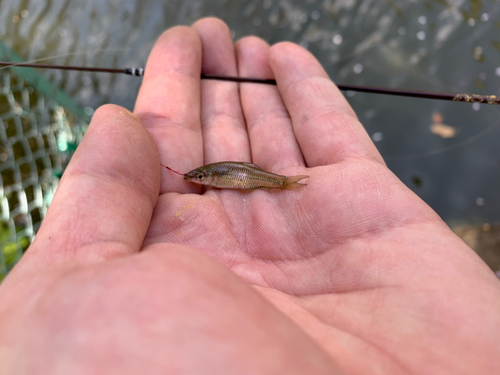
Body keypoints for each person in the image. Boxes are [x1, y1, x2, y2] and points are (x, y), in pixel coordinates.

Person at [0, 17, 499, 375]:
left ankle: (282, 182)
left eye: (205, 177)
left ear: (210, 177)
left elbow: (226, 172)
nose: (205, 180)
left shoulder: (223, 174)